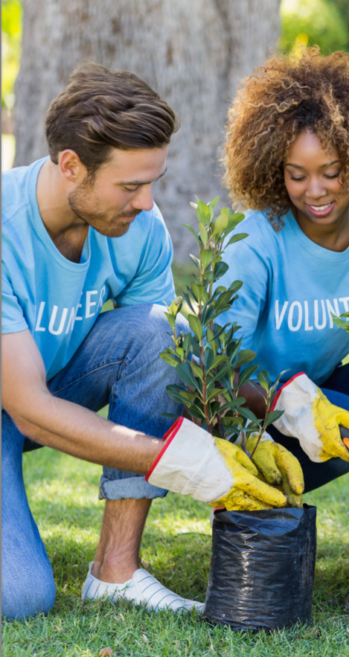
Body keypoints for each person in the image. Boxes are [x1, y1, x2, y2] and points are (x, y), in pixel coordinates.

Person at [1, 64, 301, 620]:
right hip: (22, 401)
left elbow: (168, 354)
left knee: (157, 331)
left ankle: (115, 572)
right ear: (71, 166)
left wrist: (273, 408)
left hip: (41, 385)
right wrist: (185, 461)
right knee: (19, 598)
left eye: (152, 182)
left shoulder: (137, 228)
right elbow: (30, 413)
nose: (145, 202)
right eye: (131, 185)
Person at [218, 48, 349, 494]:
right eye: (297, 175)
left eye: (331, 172)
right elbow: (216, 367)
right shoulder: (256, 241)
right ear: (276, 170)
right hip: (250, 417)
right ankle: (257, 495)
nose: (315, 191)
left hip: (322, 401)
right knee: (346, 416)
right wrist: (293, 409)